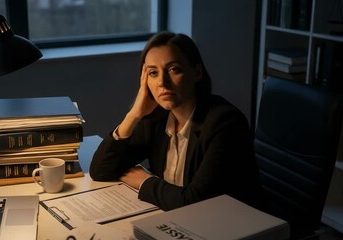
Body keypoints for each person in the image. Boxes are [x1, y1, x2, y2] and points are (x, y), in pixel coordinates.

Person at [89, 31, 261, 211]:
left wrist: (145, 182)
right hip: (178, 221)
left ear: (197, 73)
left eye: (174, 69)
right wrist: (134, 114)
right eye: (153, 73)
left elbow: (194, 202)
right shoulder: (158, 118)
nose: (162, 82)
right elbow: (101, 170)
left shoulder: (225, 124)